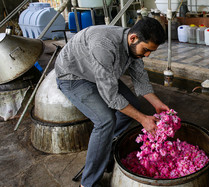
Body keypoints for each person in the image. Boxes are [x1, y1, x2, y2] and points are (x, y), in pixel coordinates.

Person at [55, 17, 169, 187]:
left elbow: (140, 80)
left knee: (133, 107)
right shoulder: (104, 45)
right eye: (146, 50)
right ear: (133, 38)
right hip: (74, 76)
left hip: (99, 75)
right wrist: (143, 119)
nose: (147, 55)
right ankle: (88, 183)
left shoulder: (133, 47)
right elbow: (110, 96)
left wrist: (157, 104)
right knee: (105, 121)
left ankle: (104, 146)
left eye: (150, 51)